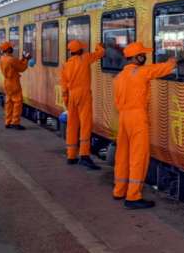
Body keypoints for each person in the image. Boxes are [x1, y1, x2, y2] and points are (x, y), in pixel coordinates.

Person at [112, 42, 177, 209]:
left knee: (123, 155)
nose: (145, 57)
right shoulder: (140, 72)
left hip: (123, 117)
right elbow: (159, 69)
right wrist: (172, 62)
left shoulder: (119, 77)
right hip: (137, 117)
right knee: (138, 156)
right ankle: (133, 196)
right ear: (135, 57)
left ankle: (119, 190)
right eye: (143, 54)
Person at [60, 40, 105, 169]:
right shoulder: (85, 59)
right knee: (85, 125)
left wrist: (67, 100)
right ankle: (84, 155)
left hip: (71, 95)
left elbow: (64, 86)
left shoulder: (66, 65)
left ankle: (71, 156)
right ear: (80, 50)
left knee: (72, 125)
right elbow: (100, 53)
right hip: (84, 94)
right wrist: (99, 46)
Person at [0, 41, 31, 130]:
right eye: (11, 47)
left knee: (9, 103)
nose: (12, 48)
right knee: (17, 102)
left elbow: (15, 64)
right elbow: (21, 68)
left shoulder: (2, 58)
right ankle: (15, 122)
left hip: (7, 83)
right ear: (8, 49)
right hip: (14, 83)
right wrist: (26, 60)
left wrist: (22, 59)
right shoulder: (11, 59)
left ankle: (8, 122)